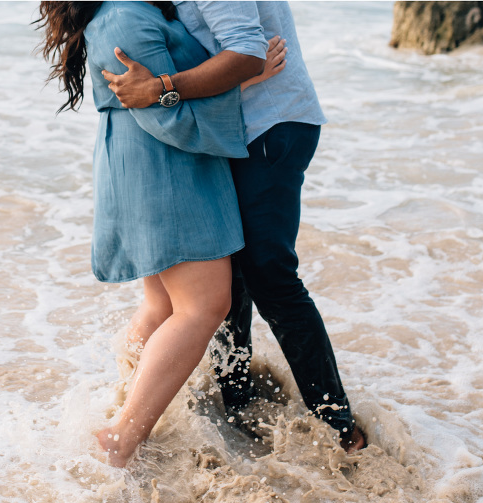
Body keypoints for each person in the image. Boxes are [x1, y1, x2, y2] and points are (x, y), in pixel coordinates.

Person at [100, 1, 366, 452]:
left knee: (269, 275)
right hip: (234, 127)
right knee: (229, 274)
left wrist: (163, 88)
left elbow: (248, 55)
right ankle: (238, 405)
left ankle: (338, 426)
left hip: (268, 123)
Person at [35, 1, 284, 467]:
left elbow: (163, 98)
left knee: (164, 305)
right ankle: (120, 436)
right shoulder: (124, 17)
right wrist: (248, 80)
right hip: (165, 169)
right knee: (204, 306)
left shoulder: (130, 11)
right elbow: (167, 116)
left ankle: (126, 404)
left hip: (151, 164)